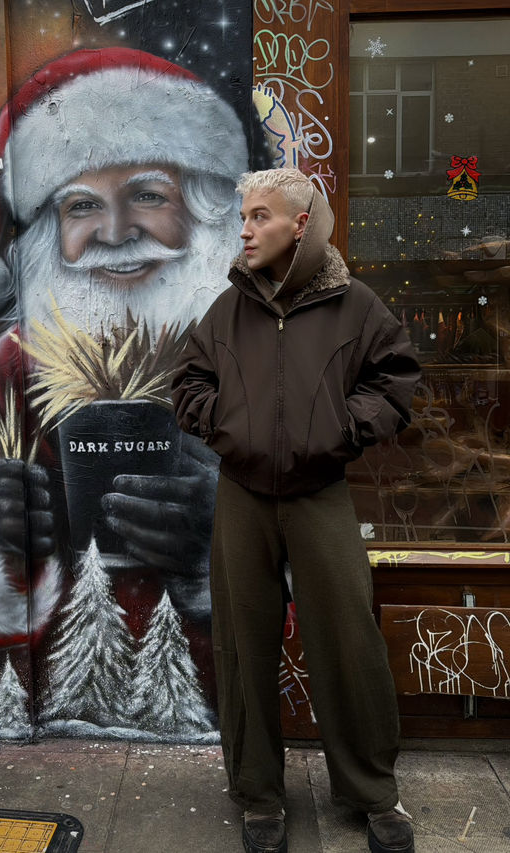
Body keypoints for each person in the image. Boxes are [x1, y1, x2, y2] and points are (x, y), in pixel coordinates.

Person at [0, 47, 248, 729]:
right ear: (54, 231)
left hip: (229, 701)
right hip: (65, 702)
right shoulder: (12, 368)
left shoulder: (248, 349)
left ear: (201, 209)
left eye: (147, 193)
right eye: (82, 204)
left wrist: (227, 539)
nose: (115, 233)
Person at [172, 168, 421, 853]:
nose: (245, 229)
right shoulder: (229, 309)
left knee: (348, 637)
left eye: (260, 216)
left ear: (300, 224)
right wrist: (229, 426)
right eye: (243, 217)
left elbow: (396, 380)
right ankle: (259, 797)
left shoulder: (356, 305)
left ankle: (373, 792)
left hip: (320, 493)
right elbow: (187, 381)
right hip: (243, 495)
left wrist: (340, 429)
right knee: (242, 642)